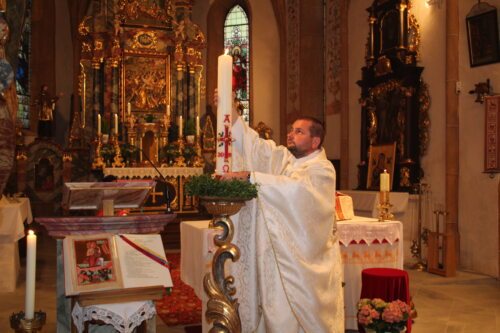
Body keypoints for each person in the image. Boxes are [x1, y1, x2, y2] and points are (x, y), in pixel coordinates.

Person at [217, 95, 345, 332]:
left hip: (304, 265)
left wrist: (250, 177)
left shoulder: (322, 170)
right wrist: (233, 115)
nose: (290, 134)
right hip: (280, 257)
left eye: (299, 131)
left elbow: (299, 192)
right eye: (291, 130)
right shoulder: (288, 161)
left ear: (315, 141)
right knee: (277, 309)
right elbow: (257, 148)